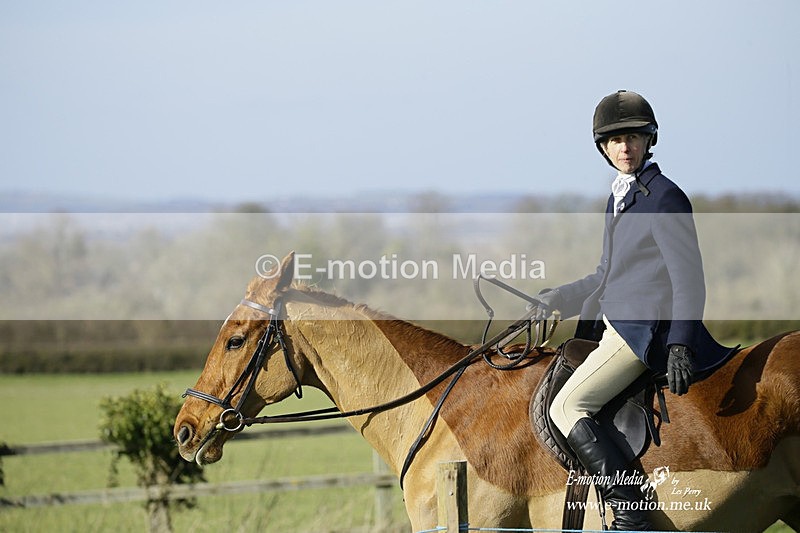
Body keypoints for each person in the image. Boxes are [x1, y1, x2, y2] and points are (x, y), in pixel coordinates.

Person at [533, 90, 736, 530]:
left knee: (565, 408)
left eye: (633, 138)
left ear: (649, 141)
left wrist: (681, 342)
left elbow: (689, 279)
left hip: (639, 331)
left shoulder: (665, 197)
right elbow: (606, 273)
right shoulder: (619, 198)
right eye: (616, 140)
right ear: (603, 148)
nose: (625, 147)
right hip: (613, 323)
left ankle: (629, 509)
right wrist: (558, 298)